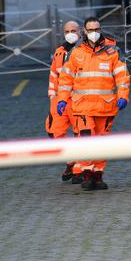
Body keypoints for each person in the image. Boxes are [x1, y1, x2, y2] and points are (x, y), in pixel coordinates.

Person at [56, 16, 130, 190]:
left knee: (102, 143)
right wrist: (61, 99)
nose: (94, 33)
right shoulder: (77, 54)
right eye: (91, 30)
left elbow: (122, 76)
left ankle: (98, 175)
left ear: (100, 30)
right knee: (87, 140)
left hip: (105, 106)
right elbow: (66, 79)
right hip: (82, 107)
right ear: (84, 31)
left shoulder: (112, 52)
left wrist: (123, 95)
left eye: (97, 29)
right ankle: (87, 174)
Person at [46, 20, 81, 182]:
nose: (70, 34)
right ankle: (70, 160)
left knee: (81, 133)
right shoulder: (59, 52)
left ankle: (79, 168)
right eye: (67, 31)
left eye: (73, 30)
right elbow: (54, 74)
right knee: (54, 132)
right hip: (60, 100)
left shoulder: (85, 51)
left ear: (80, 32)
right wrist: (52, 95)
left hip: (78, 99)